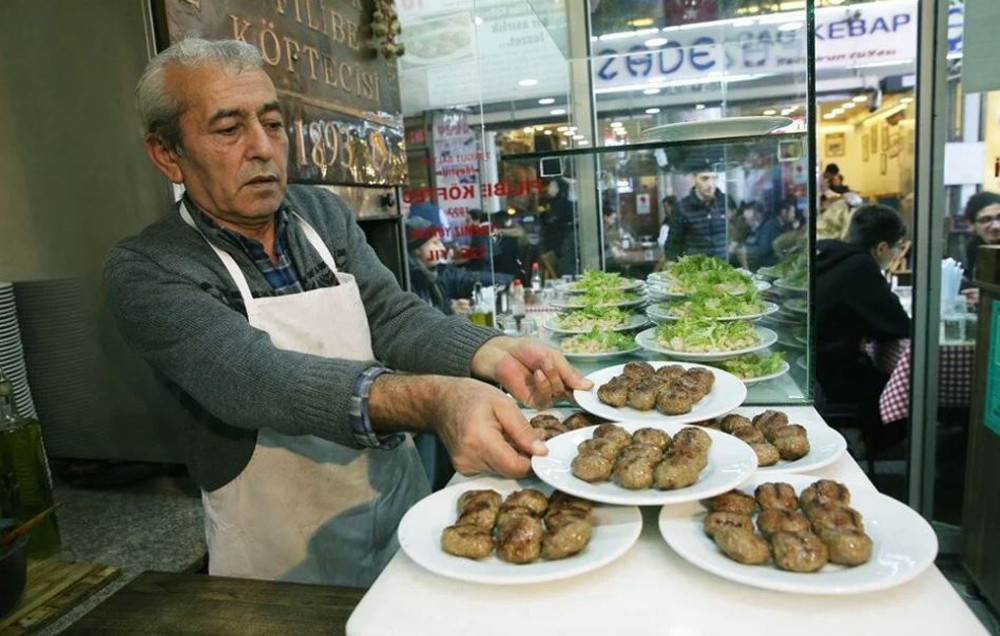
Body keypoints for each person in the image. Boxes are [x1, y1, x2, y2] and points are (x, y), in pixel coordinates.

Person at [103, 39, 590, 587]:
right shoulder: (147, 268)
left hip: (394, 497)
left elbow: (388, 315)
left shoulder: (318, 214)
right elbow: (254, 380)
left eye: (272, 123)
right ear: (167, 153)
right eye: (228, 129)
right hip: (282, 551)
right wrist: (432, 398)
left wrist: (487, 351)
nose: (262, 148)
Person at [816, 204, 910, 453]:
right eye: (898, 247)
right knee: (895, 387)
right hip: (828, 374)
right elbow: (898, 325)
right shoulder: (860, 267)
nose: (898, 253)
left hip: (809, 365)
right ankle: (871, 448)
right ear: (882, 248)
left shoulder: (828, 253)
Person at [406, 216, 512, 315]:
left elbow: (468, 279)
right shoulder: (407, 282)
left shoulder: (436, 273)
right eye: (435, 243)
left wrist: (511, 282)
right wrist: (449, 311)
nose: (442, 249)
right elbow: (418, 322)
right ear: (417, 249)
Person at [665, 163, 732, 262]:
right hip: (695, 270)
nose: (710, 184)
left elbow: (738, 235)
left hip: (723, 267)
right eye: (705, 178)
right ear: (694, 178)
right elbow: (673, 245)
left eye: (714, 178)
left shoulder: (726, 202)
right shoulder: (682, 207)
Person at [960, 191, 1000, 307]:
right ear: (971, 225)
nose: (996, 226)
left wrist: (989, 297)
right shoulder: (975, 248)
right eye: (986, 220)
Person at [737, 201, 783, 269]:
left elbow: (763, 249)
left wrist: (746, 250)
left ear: (758, 215)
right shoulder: (757, 227)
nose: (747, 222)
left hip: (766, 266)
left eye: (750, 219)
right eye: (745, 219)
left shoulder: (768, 227)